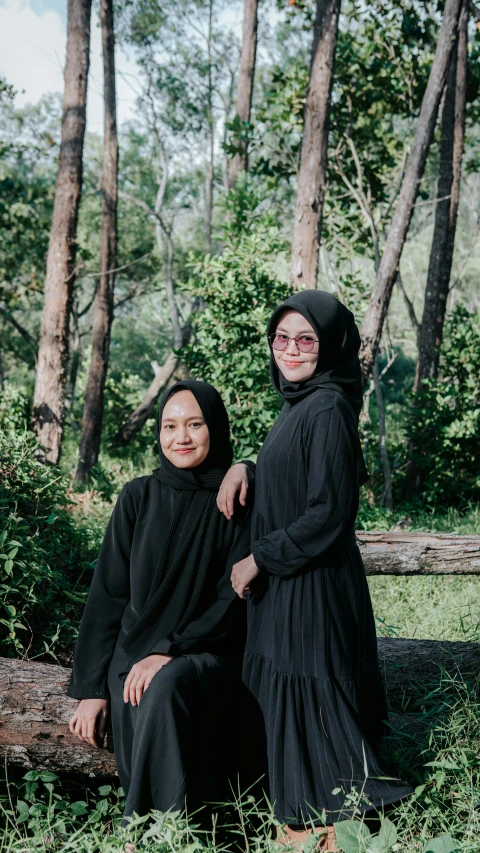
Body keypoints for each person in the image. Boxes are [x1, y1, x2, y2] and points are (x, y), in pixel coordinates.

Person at [218, 291, 413, 850]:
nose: (291, 350)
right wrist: (245, 465)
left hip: (315, 591)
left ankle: (333, 833)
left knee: (315, 709)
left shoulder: (327, 407)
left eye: (306, 339)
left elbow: (329, 512)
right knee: (290, 706)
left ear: (329, 346)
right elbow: (294, 476)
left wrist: (259, 557)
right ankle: (300, 828)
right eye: (282, 338)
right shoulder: (301, 405)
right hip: (291, 588)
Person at [68, 380, 251, 823]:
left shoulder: (239, 500)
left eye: (194, 424)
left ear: (217, 428)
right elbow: (108, 596)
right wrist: (90, 690)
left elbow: (231, 601)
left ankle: (154, 832)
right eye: (169, 426)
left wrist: (168, 649)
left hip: (208, 650)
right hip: (132, 653)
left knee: (166, 686)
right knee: (145, 684)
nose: (181, 437)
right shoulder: (138, 496)